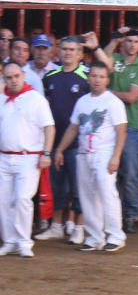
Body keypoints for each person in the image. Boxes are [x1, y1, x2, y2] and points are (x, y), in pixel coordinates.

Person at [53, 61, 127, 253]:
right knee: (87, 196)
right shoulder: (83, 101)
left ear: (107, 80)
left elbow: (121, 131)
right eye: (93, 76)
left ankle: (115, 235)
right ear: (88, 77)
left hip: (104, 152)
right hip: (84, 152)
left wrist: (116, 156)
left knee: (107, 193)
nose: (96, 80)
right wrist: (60, 149)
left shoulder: (113, 102)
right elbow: (73, 127)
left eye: (101, 77)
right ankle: (95, 237)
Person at [91, 27, 138, 233]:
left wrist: (106, 91)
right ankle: (110, 216)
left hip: (130, 126)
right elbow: (100, 62)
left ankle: (130, 215)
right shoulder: (114, 57)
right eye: (128, 41)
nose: (132, 45)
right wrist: (114, 39)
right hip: (107, 127)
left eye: (135, 41)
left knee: (130, 173)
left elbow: (131, 97)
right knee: (107, 172)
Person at [36, 36, 90, 245]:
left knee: (78, 188)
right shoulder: (51, 76)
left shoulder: (86, 76)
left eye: (72, 50)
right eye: (64, 49)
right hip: (55, 141)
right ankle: (57, 226)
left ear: (79, 54)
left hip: (79, 143)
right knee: (57, 186)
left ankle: (78, 226)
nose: (67, 53)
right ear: (58, 52)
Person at [0, 61, 55, 258]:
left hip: (28, 157)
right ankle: (10, 240)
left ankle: (24, 241)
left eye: (16, 76)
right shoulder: (1, 99)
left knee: (23, 198)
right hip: (4, 156)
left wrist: (46, 153)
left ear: (23, 75)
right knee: (4, 201)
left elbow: (49, 127)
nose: (13, 80)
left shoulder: (36, 99)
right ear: (4, 79)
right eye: (9, 77)